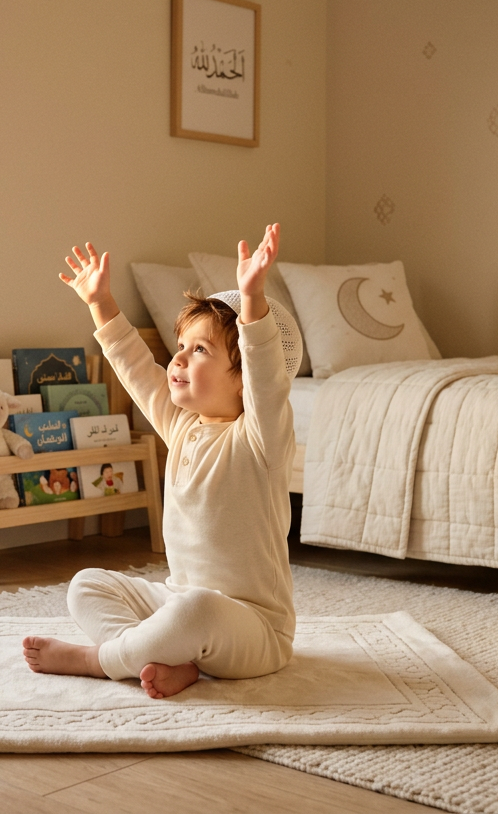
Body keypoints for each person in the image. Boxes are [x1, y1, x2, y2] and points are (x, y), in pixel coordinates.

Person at [22, 224, 300, 699]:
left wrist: (252, 300)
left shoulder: (261, 440)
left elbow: (267, 380)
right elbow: (134, 365)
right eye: (181, 347)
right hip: (176, 600)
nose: (178, 360)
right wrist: (99, 302)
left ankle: (101, 660)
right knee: (86, 585)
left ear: (243, 380)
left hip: (254, 629)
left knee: (197, 612)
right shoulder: (182, 427)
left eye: (200, 351)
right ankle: (167, 659)